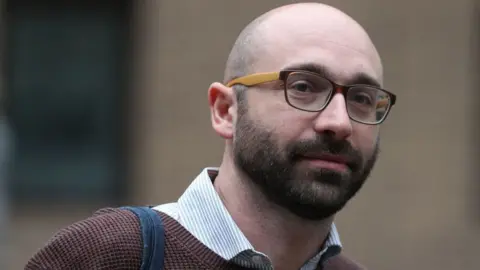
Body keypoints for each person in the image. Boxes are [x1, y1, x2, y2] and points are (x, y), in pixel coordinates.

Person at [25, 2, 396, 270]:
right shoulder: (108, 254)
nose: (339, 122)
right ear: (225, 111)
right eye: (302, 87)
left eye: (362, 98)